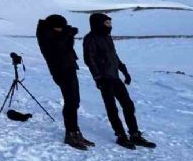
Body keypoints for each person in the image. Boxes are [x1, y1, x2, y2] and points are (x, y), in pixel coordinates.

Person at [82, 13, 156, 149]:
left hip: (115, 77)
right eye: (107, 23)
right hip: (104, 78)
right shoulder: (90, 39)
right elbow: (89, 60)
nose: (110, 26)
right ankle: (121, 135)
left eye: (110, 23)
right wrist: (98, 78)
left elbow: (114, 56)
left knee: (128, 105)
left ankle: (135, 135)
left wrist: (124, 71)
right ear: (98, 23)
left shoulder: (107, 37)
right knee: (112, 108)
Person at [36, 14, 93, 150]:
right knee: (71, 101)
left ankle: (75, 132)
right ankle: (70, 134)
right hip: (60, 70)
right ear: (53, 27)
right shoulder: (45, 35)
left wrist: (68, 35)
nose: (61, 30)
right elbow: (58, 48)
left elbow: (67, 47)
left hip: (69, 67)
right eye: (59, 28)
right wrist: (68, 33)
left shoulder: (56, 34)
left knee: (75, 101)